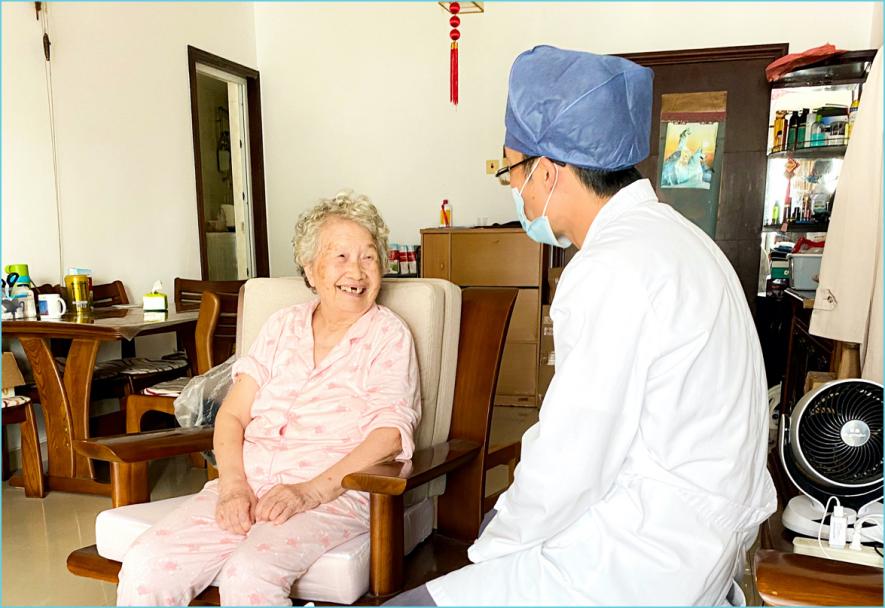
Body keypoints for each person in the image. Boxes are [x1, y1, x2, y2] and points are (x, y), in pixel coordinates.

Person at [389, 45, 775, 606]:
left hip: (645, 554)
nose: (514, 190)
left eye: (511, 171)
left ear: (546, 171)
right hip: (700, 533)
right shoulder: (678, 238)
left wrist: (491, 552)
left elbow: (572, 457)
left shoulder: (611, 267)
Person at [117, 192, 421, 606]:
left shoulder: (388, 335)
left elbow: (389, 435)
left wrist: (309, 491)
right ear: (310, 269)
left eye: (369, 257)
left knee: (249, 574)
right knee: (146, 564)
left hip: (332, 496)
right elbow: (232, 416)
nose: (357, 271)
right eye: (341, 257)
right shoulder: (282, 326)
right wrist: (233, 486)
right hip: (245, 485)